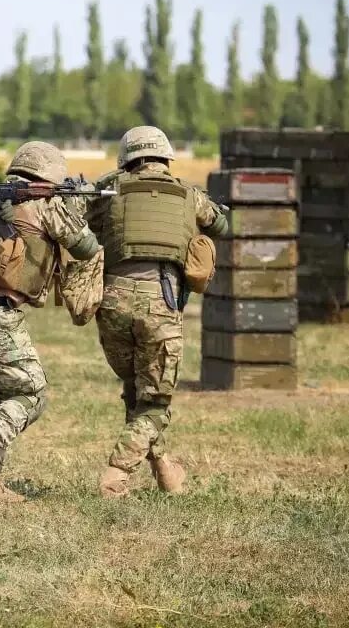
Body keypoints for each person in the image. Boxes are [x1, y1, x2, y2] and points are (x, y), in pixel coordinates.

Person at [0, 141, 101, 503]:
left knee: (4, 394)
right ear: (50, 179)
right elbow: (86, 247)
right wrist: (73, 206)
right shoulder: (43, 205)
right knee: (32, 394)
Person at [88, 126, 227, 499]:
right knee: (155, 403)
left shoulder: (108, 189)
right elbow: (221, 224)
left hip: (111, 300)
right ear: (165, 157)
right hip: (160, 301)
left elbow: (81, 217)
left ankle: (166, 470)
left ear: (127, 158)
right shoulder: (189, 194)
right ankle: (115, 477)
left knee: (137, 389)